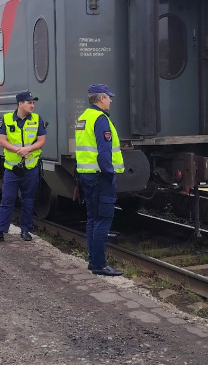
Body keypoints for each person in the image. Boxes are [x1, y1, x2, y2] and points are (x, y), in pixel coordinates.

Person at [75, 84, 125, 277]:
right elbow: (104, 152)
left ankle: (93, 261)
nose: (111, 101)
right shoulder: (101, 119)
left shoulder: (83, 118)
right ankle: (99, 265)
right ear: (101, 98)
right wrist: (110, 173)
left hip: (86, 176)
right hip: (100, 177)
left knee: (92, 219)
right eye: (109, 97)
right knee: (103, 219)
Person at [0, 91, 46, 244]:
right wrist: (19, 150)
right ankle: (0, 232)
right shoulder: (6, 119)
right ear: (20, 104)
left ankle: (25, 230)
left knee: (28, 200)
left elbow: (41, 141)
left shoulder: (37, 119)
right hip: (12, 169)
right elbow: (2, 141)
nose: (32, 105)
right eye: (29, 102)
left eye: (33, 102)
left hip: (30, 169)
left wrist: (28, 150)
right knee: (7, 200)